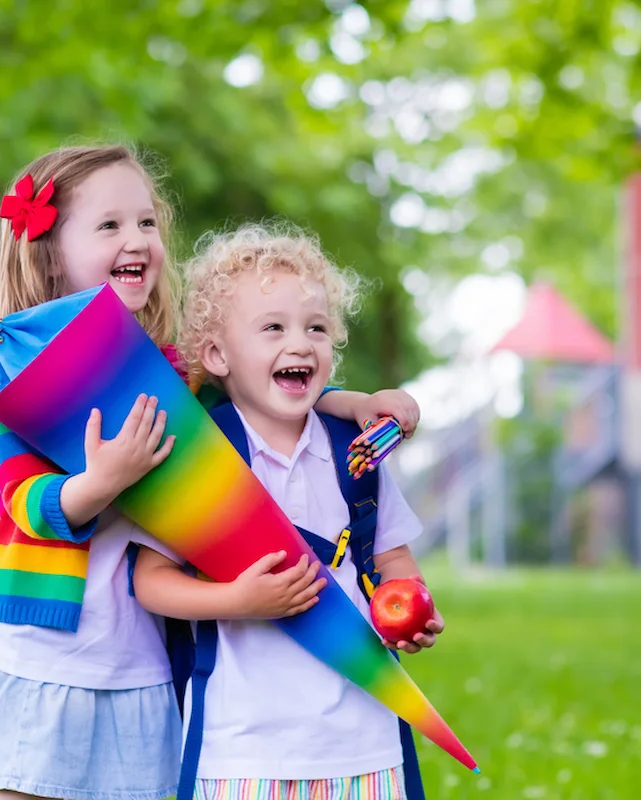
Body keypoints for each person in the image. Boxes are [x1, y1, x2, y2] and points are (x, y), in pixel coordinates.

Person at [0, 145, 420, 800]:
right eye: (109, 225)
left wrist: (347, 403)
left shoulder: (168, 366)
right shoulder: (12, 372)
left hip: (140, 653)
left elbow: (254, 387)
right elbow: (25, 502)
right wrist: (101, 481)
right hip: (45, 650)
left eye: (146, 223)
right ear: (49, 252)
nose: (137, 239)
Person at [133, 223, 444, 800]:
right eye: (273, 328)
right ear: (217, 355)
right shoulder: (201, 460)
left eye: (317, 328)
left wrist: (411, 610)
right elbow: (150, 582)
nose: (300, 344)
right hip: (244, 753)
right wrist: (236, 602)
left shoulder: (357, 454)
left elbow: (394, 559)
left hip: (365, 743)